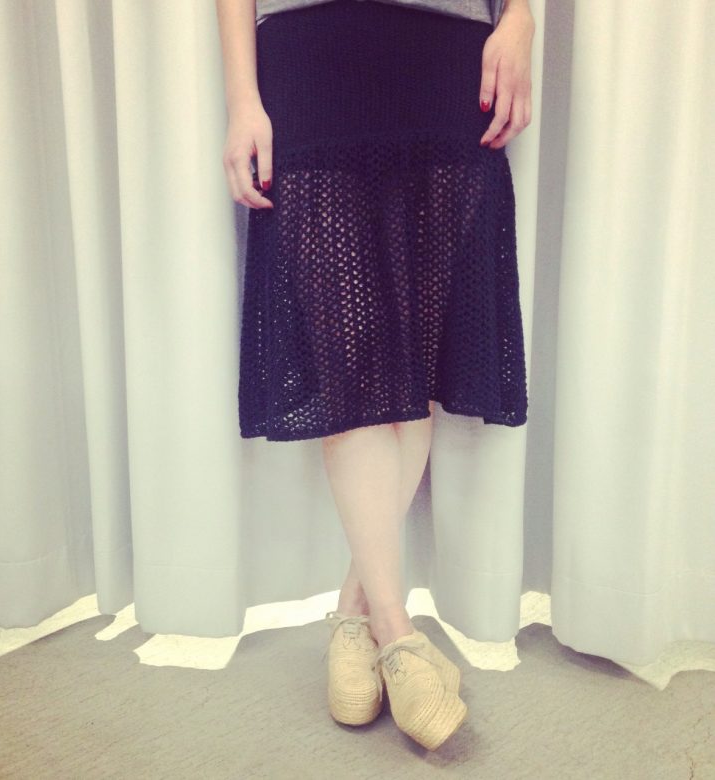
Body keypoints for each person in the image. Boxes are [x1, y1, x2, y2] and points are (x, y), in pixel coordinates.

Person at [215, 0, 534, 751]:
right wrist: (242, 98)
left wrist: (521, 17)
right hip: (314, 54)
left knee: (415, 358)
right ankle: (397, 633)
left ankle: (355, 614)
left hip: (448, 59)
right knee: (347, 361)